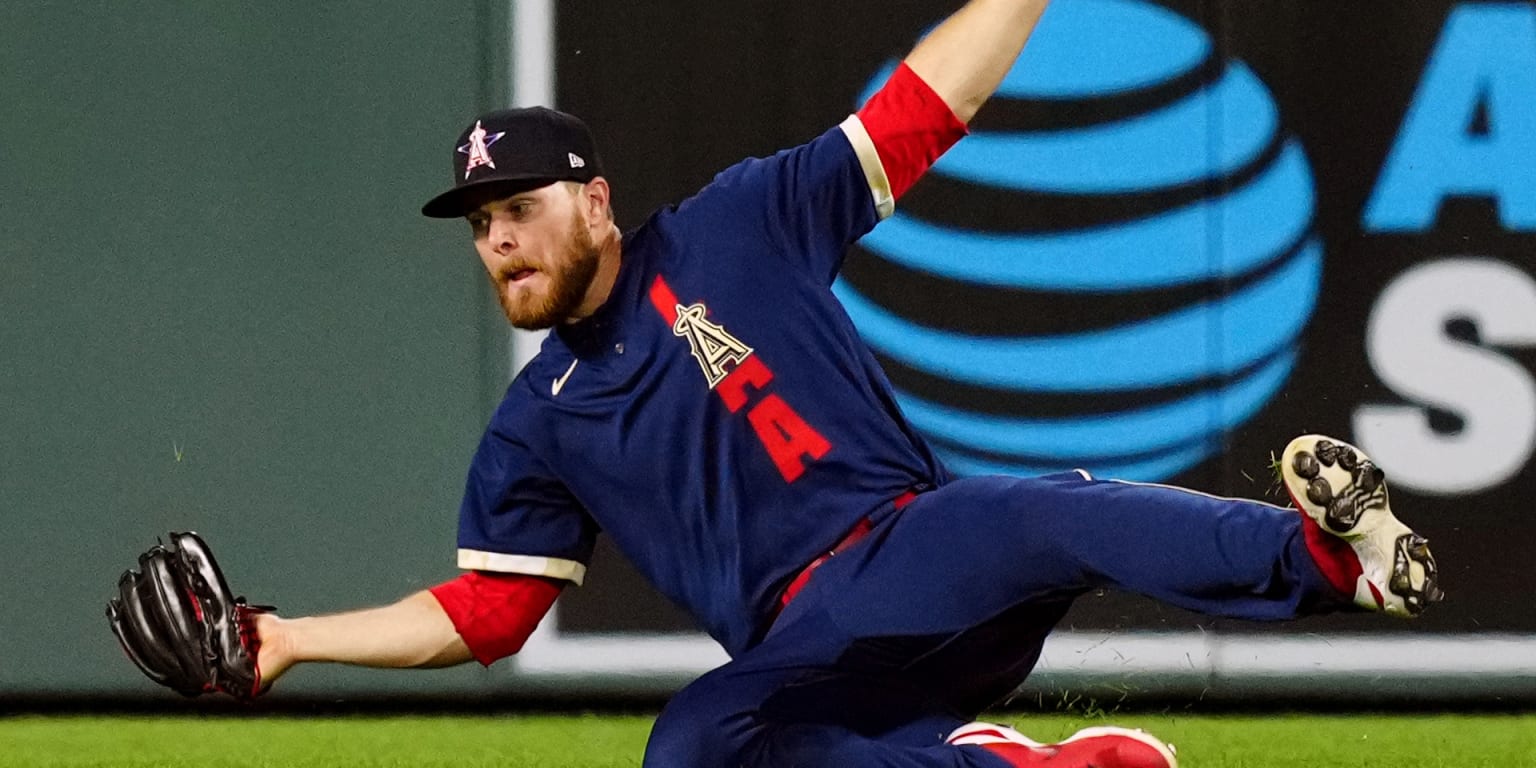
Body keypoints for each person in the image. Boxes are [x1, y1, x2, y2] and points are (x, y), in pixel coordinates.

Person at [251, 1, 1442, 765]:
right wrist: (292, 640)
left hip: (915, 549)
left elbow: (927, 107)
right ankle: (1005, 766)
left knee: (1039, 509)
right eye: (479, 225)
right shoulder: (535, 430)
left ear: (596, 201)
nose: (498, 237)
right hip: (806, 657)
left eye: (520, 206)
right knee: (694, 747)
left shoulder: (733, 228)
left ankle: (1340, 559)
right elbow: (486, 616)